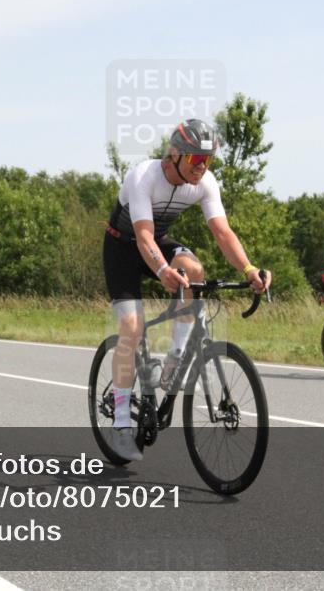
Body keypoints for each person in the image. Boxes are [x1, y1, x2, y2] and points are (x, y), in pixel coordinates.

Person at [103, 119, 271, 461]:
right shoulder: (144, 177)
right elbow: (144, 236)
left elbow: (223, 233)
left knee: (194, 270)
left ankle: (175, 357)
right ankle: (121, 423)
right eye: (197, 160)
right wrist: (163, 270)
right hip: (123, 247)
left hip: (156, 243)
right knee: (132, 329)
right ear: (175, 154)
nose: (203, 167)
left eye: (208, 160)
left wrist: (250, 269)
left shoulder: (204, 182)